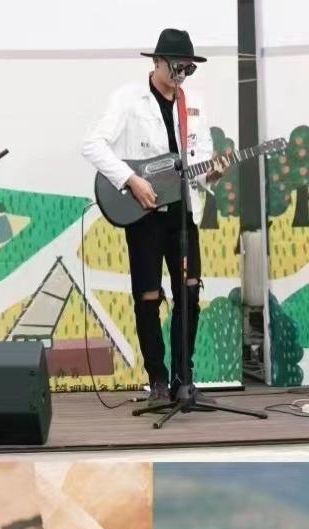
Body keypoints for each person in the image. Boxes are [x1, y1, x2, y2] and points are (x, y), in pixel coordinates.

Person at [82, 29, 226, 402]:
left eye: (189, 68)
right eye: (177, 66)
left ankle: (184, 379)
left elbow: (200, 157)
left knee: (189, 291)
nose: (182, 74)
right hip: (145, 213)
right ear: (157, 62)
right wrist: (131, 180)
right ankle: (157, 380)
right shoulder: (129, 99)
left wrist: (212, 173)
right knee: (148, 295)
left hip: (183, 211)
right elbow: (93, 144)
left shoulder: (193, 103)